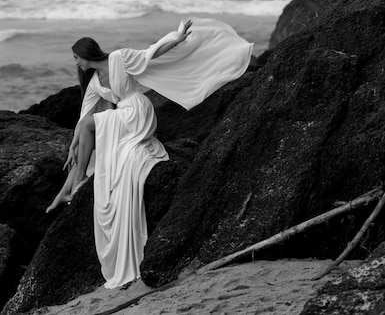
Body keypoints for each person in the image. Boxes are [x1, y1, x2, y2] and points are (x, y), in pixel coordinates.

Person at [46, 17, 253, 289]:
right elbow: (86, 112)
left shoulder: (120, 59)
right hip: (122, 117)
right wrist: (74, 143)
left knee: (92, 132)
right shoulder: (95, 80)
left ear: (86, 53)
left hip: (138, 112)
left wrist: (176, 38)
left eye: (76, 57)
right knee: (90, 134)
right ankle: (69, 186)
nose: (76, 63)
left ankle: (74, 183)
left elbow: (151, 52)